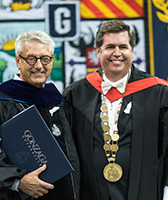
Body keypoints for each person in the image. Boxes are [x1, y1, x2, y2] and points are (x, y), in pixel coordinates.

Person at [63, 20, 168, 200]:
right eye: (110, 46)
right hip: (91, 193)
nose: (117, 53)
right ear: (98, 51)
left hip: (143, 192)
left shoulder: (158, 93)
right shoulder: (76, 94)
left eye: (123, 47)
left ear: (133, 51)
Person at [0, 30, 80, 200]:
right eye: (31, 59)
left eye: (45, 59)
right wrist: (18, 182)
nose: (39, 65)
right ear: (18, 61)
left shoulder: (58, 102)